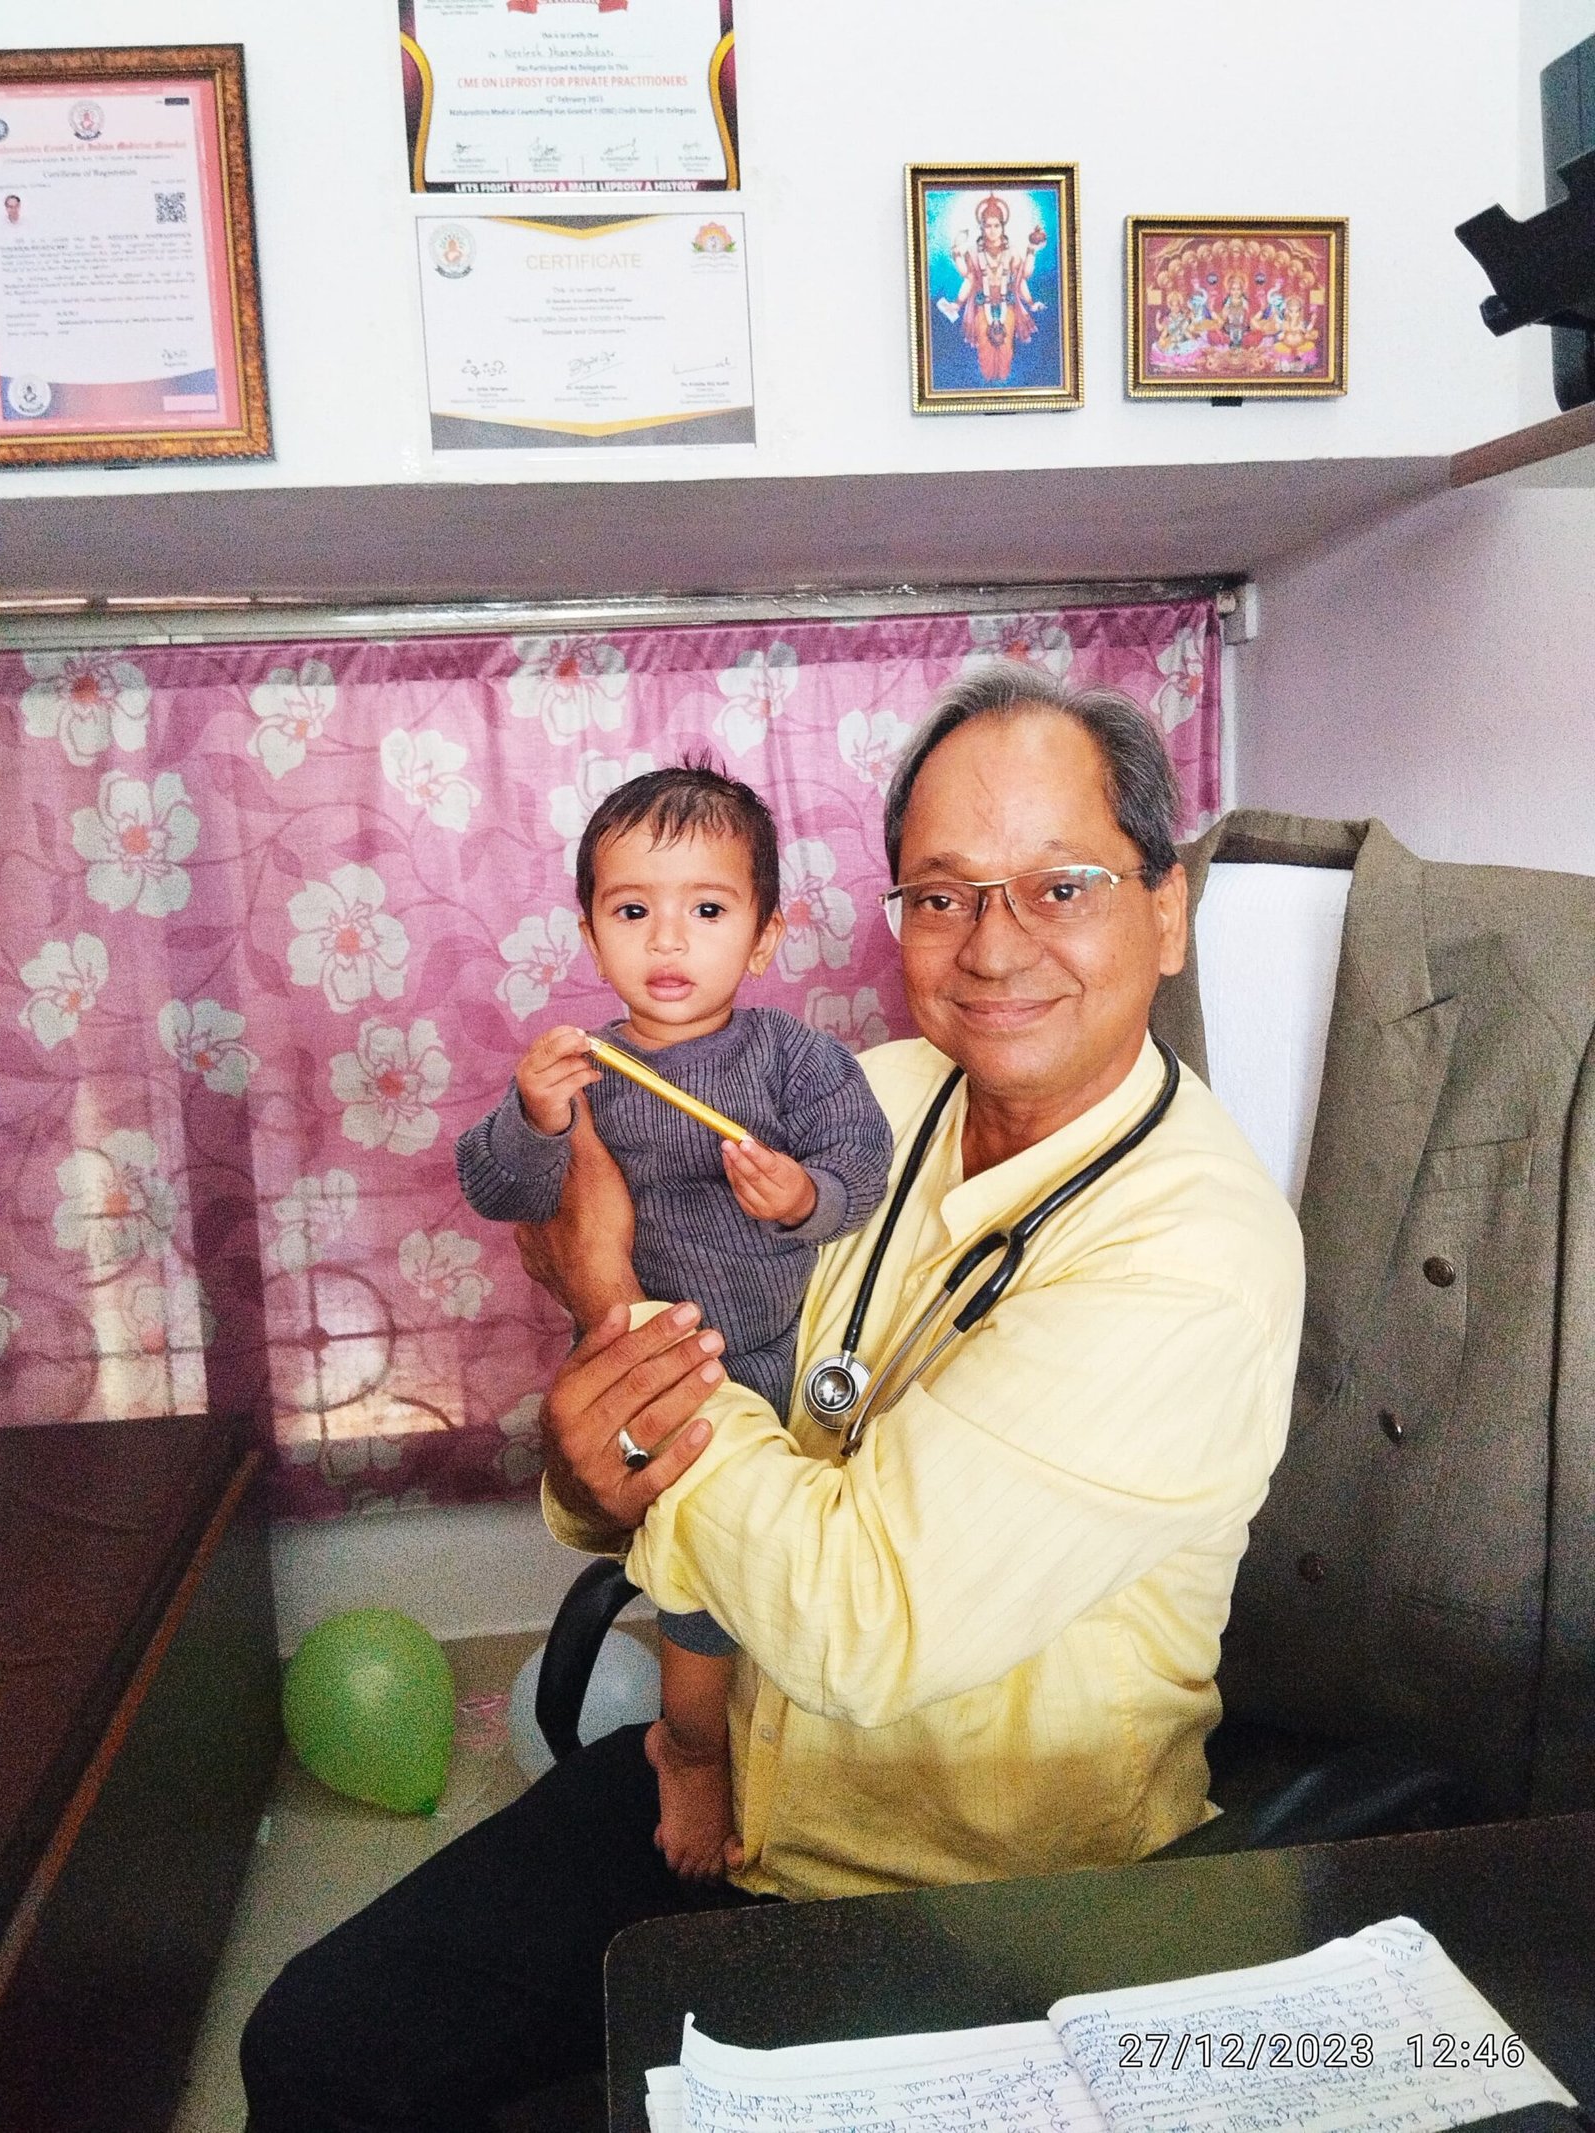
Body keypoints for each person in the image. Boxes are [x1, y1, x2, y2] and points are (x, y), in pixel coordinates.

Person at [242, 661, 1304, 2131]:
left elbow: (860, 1616)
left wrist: (607, 1303)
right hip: (731, 1775)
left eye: (1059, 885)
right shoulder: (875, 1096)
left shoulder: (1190, 1256)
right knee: (312, 2050)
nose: (992, 946)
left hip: (970, 1904)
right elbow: (633, 1446)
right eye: (940, 894)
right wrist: (599, 1449)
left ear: (1166, 908)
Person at [454, 759, 892, 1878]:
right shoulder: (585, 1070)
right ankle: (688, 1750)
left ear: (760, 936)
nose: (667, 943)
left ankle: (793, 1750)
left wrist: (805, 1198)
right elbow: (498, 1192)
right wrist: (531, 1115)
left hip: (796, 1354)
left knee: (809, 1573)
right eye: (633, 912)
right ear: (591, 934)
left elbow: (863, 1160)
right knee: (699, 1604)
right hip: (655, 1363)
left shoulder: (794, 1058)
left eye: (705, 911)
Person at [946, 193, 1047, 383]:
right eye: (988, 226)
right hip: (981, 307)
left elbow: (1021, 279)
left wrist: (1032, 303)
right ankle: (987, 385)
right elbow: (968, 278)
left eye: (996, 226)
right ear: (982, 227)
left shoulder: (1013, 252)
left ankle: (1003, 384)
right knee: (984, 349)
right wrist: (957, 304)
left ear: (1002, 226)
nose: (992, 230)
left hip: (1006, 307)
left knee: (1005, 347)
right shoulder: (974, 253)